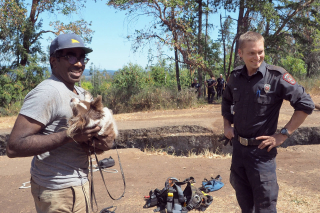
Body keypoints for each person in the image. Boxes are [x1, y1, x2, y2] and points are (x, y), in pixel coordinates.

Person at [6, 33, 116, 213]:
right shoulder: (47, 92)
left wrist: (101, 140)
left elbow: (87, 140)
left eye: (82, 57)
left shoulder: (81, 93)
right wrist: (70, 135)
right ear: (53, 61)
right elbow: (14, 146)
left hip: (80, 184)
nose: (79, 63)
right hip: (56, 190)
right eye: (70, 56)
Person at [221, 31, 314, 213]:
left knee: (265, 207)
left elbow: (305, 104)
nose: (257, 57)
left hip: (261, 154)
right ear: (240, 53)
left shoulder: (276, 76)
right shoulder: (235, 77)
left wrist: (282, 135)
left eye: (260, 52)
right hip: (239, 151)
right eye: (251, 53)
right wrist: (226, 125)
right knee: (245, 204)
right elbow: (226, 100)